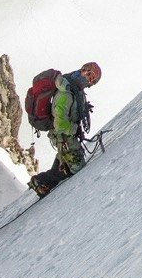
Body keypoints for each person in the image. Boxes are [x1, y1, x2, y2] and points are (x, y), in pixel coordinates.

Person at [27, 62, 101, 196]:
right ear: (83, 70)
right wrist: (74, 128)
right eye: (89, 76)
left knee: (67, 158)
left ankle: (44, 183)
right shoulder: (66, 93)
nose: (89, 82)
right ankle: (39, 180)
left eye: (92, 81)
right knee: (76, 166)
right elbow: (60, 123)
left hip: (64, 136)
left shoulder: (73, 89)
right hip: (62, 136)